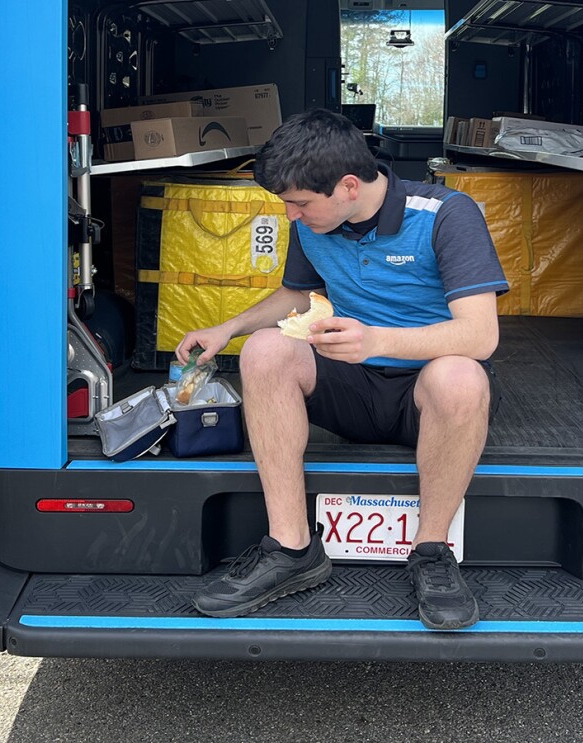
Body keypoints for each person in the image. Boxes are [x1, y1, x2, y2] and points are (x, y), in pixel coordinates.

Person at [177, 109, 508, 630]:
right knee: (264, 350)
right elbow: (295, 295)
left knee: (462, 376)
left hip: (426, 399)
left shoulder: (448, 213)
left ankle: (431, 553)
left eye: (299, 204)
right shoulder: (314, 221)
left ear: (348, 186)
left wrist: (377, 339)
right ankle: (291, 551)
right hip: (350, 384)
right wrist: (227, 329)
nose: (290, 215)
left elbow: (480, 335)